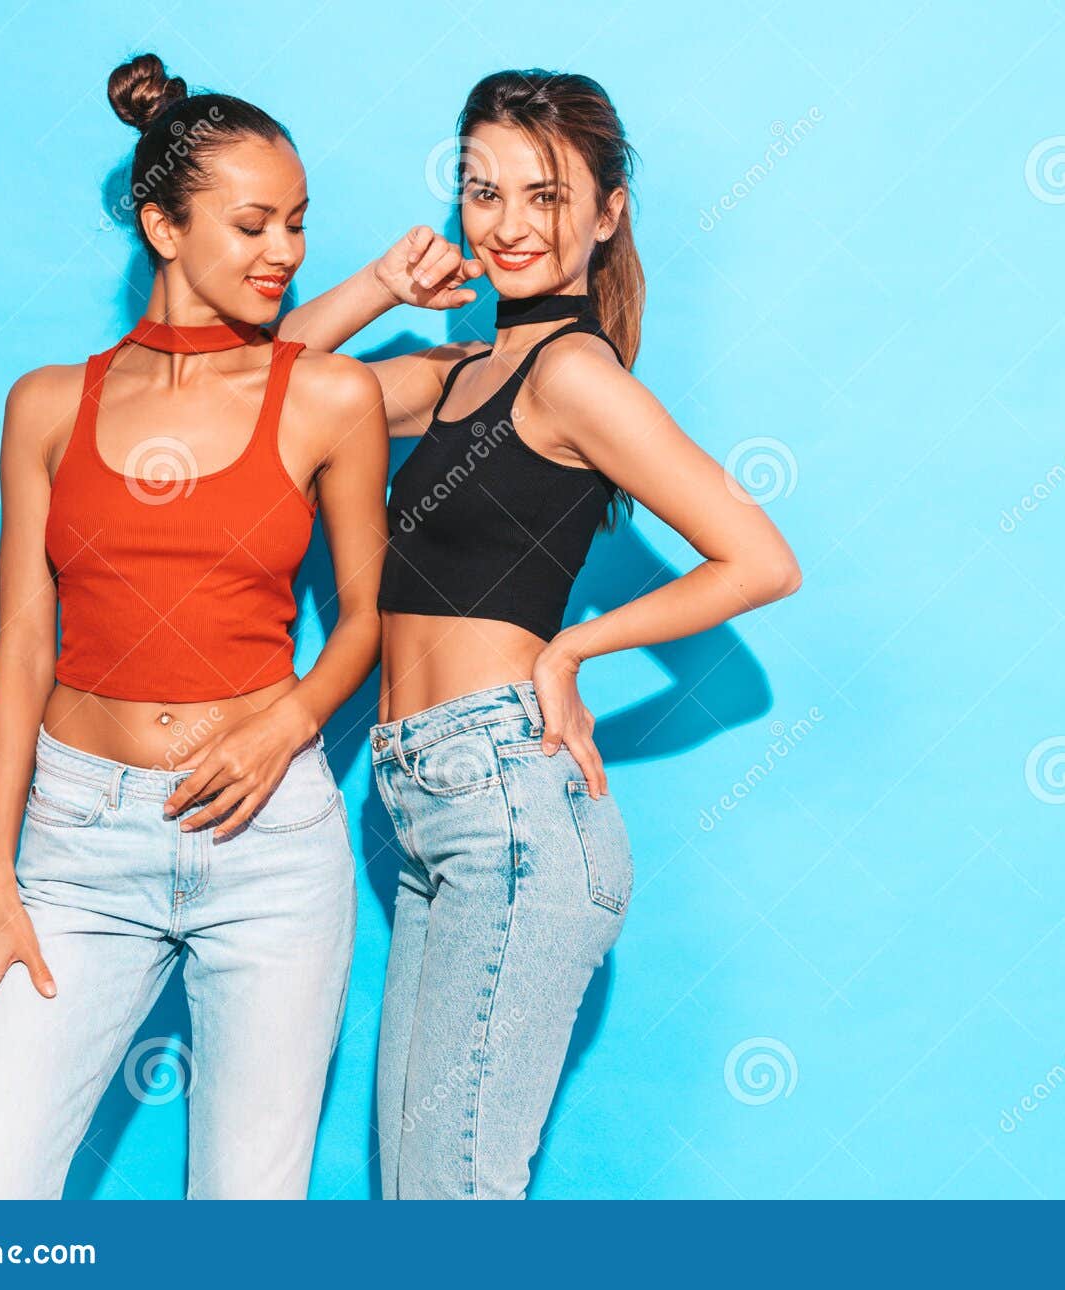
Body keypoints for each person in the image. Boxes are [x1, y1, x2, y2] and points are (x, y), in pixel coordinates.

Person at [279, 68, 801, 1199]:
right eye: (482, 191)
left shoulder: (572, 374)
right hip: (424, 803)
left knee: (453, 1193)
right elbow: (277, 391)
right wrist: (379, 284)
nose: (508, 225)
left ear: (607, 215)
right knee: (422, 1188)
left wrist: (573, 652)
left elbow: (760, 561)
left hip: (509, 799)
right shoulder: (464, 372)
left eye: (545, 196)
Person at [0, 53, 387, 1199]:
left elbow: (364, 621)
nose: (283, 250)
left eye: (295, 223)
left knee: (245, 1210)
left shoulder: (329, 397)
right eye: (250, 224)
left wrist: (287, 722)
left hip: (268, 840)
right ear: (162, 226)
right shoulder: (46, 406)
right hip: (77, 842)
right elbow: (23, 648)